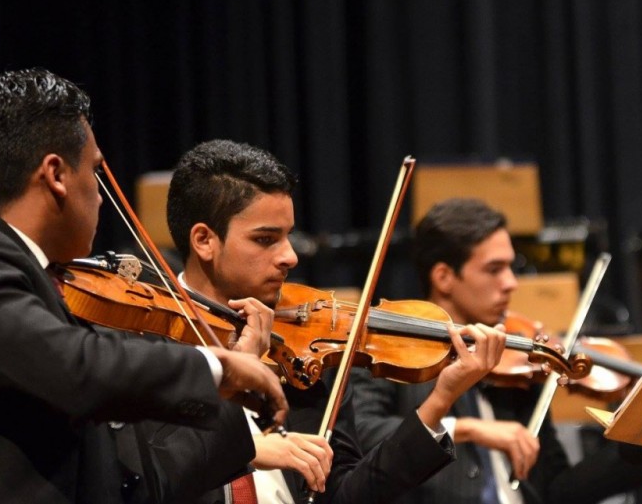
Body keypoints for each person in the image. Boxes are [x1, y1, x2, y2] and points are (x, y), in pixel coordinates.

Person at [0, 68, 287, 503]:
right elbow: (73, 367)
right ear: (57, 175)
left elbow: (143, 486)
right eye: (96, 173)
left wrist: (237, 384)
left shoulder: (44, 290)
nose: (102, 196)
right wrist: (216, 367)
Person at [164, 139, 508, 504]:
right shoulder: (145, 345)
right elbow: (148, 471)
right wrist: (241, 448)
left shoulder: (306, 354)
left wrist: (440, 400)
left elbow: (346, 495)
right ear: (204, 240)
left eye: (288, 236)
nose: (290, 256)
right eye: (265, 239)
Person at [350, 198, 642, 504]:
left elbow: (558, 492)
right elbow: (362, 433)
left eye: (511, 267)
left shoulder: (520, 363)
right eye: (494, 269)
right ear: (443, 277)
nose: (511, 283)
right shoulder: (387, 351)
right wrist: (470, 430)